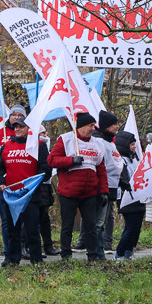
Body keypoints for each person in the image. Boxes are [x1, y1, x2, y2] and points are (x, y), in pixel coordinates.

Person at [49, 112, 110, 261]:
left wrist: (103, 191)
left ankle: (93, 255)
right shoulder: (66, 139)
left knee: (90, 226)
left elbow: (101, 169)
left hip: (90, 192)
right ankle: (66, 254)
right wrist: (71, 161)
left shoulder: (97, 143)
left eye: (93, 126)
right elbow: (52, 160)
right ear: (81, 126)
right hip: (69, 192)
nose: (92, 129)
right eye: (90, 126)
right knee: (67, 226)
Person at [0, 114, 50, 266]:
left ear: (29, 128)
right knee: (12, 230)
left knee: (32, 229)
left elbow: (45, 170)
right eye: (16, 127)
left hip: (30, 195)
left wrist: (33, 184)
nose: (18, 129)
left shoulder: (38, 145)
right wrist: (1, 183)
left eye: (21, 126)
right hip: (11, 195)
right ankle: (13, 259)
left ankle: (36, 259)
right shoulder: (7, 145)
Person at [0, 105, 27, 259]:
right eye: (14, 115)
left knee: (25, 220)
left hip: (24, 186)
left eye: (19, 115)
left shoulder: (28, 133)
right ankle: (8, 250)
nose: (16, 117)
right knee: (7, 221)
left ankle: (24, 248)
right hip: (5, 186)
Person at [92, 110, 122, 253]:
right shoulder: (99, 142)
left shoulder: (111, 143)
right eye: (114, 124)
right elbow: (101, 165)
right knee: (99, 220)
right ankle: (97, 247)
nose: (117, 127)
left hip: (113, 185)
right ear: (106, 126)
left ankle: (103, 245)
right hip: (103, 186)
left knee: (106, 218)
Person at [114, 131, 145, 260]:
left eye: (134, 144)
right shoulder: (120, 161)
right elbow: (120, 178)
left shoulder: (134, 159)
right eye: (131, 144)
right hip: (126, 197)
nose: (134, 147)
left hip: (138, 196)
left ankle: (128, 251)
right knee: (131, 227)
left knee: (136, 227)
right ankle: (119, 253)